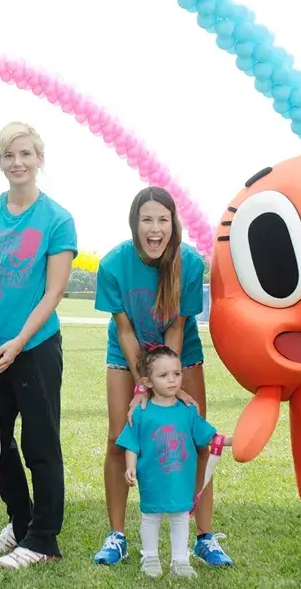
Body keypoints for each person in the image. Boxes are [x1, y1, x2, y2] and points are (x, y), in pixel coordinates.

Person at [92, 186, 233, 567]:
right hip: (128, 353)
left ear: (174, 223)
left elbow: (176, 329)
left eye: (163, 220)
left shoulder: (188, 263)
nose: (155, 229)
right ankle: (117, 535)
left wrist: (164, 377)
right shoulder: (112, 265)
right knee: (118, 438)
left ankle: (204, 537)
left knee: (196, 436)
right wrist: (142, 384)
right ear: (134, 224)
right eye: (146, 220)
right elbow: (123, 329)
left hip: (179, 354)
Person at [0, 121, 77, 569]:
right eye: (9, 155)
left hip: (35, 348)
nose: (18, 163)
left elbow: (54, 291)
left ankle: (43, 539)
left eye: (25, 154)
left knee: (40, 443)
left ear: (39, 159)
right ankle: (22, 522)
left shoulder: (56, 219)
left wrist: (17, 342)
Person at [118, 345, 233, 578]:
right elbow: (131, 443)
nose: (172, 380)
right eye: (163, 375)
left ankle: (180, 560)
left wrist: (235, 441)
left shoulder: (188, 410)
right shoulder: (141, 412)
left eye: (177, 374)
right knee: (151, 518)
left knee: (181, 518)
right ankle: (149, 556)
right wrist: (130, 466)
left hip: (181, 479)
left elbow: (209, 436)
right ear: (148, 382)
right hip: (152, 478)